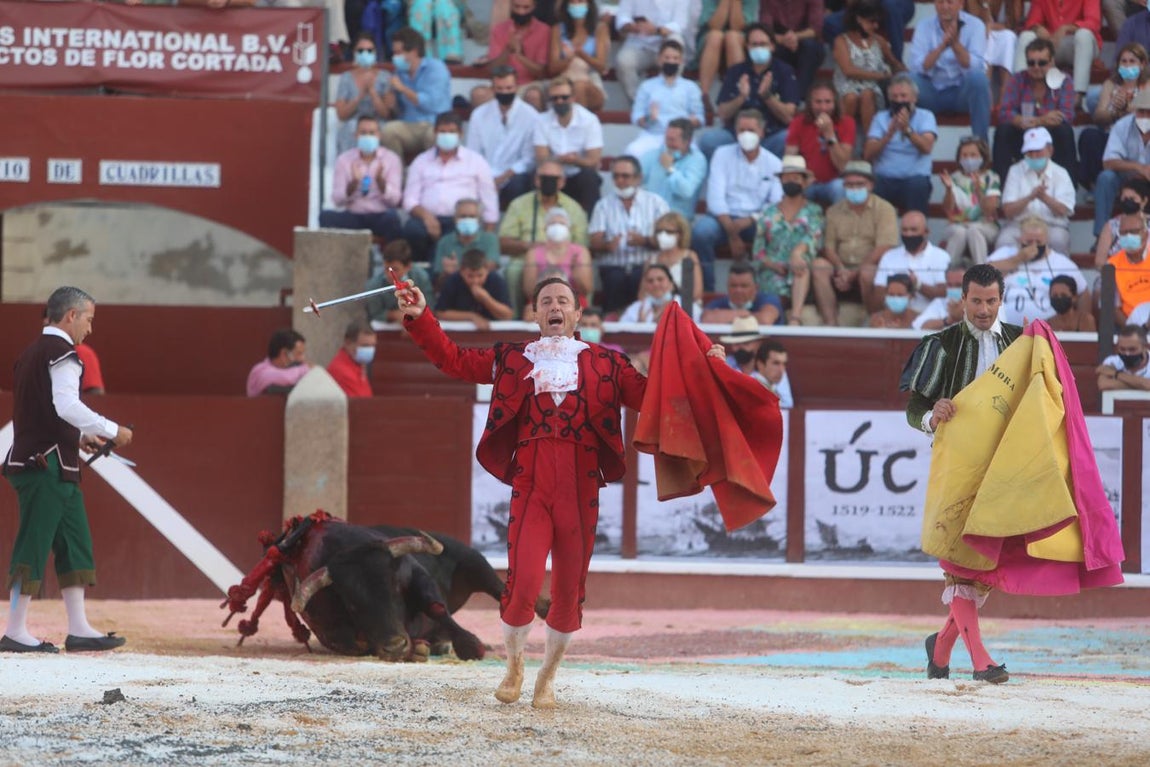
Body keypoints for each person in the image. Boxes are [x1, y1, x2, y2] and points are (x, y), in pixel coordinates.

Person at [394, 274, 729, 709]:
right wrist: (421, 317)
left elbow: (655, 397)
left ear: (577, 314)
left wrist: (705, 367)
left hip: (581, 485)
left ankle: (547, 678)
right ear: (534, 314)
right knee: (524, 582)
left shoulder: (608, 364)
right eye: (546, 301)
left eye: (563, 301)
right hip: (531, 484)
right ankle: (515, 667)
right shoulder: (513, 358)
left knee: (570, 589)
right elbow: (454, 359)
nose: (555, 306)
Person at [900, 264, 1023, 685]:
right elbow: (914, 407)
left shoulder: (1022, 343)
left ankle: (940, 647)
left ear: (1001, 299)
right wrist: (932, 416)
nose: (984, 309)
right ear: (963, 300)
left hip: (1004, 469)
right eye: (976, 301)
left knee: (983, 569)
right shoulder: (941, 344)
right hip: (956, 470)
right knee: (961, 565)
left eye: (991, 301)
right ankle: (981, 661)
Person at [2, 286, 133, 653]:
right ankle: (14, 629)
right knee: (35, 541)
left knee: (73, 541)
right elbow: (66, 406)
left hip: (52, 461)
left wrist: (77, 440)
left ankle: (78, 627)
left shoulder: (30, 354)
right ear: (71, 316)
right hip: (45, 465)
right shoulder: (63, 353)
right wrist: (109, 430)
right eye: (89, 318)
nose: (90, 328)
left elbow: (41, 411)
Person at [692, 110, 783, 294]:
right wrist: (733, 234)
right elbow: (715, 199)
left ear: (762, 133)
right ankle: (706, 291)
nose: (746, 135)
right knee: (701, 233)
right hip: (723, 218)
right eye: (741, 130)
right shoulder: (721, 154)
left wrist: (750, 220)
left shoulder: (773, 163)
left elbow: (775, 204)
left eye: (751, 130)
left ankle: (768, 291)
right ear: (735, 132)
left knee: (778, 232)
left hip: (755, 220)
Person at [501, 158, 591, 317]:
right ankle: (514, 315)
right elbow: (503, 241)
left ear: (562, 181)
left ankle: (586, 315)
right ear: (536, 179)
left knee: (583, 265)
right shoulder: (519, 204)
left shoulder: (573, 208)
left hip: (568, 256)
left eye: (554, 179)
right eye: (544, 178)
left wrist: (564, 253)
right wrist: (529, 247)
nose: (548, 182)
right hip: (527, 255)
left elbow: (581, 242)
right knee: (513, 270)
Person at [402, 112, 500, 258]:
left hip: (461, 220)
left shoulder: (476, 161)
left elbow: (489, 199)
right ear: (435, 133)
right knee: (412, 230)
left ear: (460, 134)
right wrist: (427, 217)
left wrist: (488, 236)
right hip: (427, 219)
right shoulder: (421, 161)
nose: (446, 135)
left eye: (452, 132)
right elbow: (410, 200)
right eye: (442, 131)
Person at [816, 160, 899, 326]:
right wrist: (841, 269)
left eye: (859, 184)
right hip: (840, 268)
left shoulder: (885, 209)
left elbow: (884, 247)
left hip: (869, 268)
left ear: (870, 185)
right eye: (849, 184)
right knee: (818, 265)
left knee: (868, 272)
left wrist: (854, 274)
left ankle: (874, 320)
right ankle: (830, 321)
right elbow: (829, 246)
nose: (854, 188)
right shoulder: (833, 211)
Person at [699, 23, 800, 160]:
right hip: (737, 136)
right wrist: (741, 98)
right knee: (708, 140)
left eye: (763, 44)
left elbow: (789, 116)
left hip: (770, 135)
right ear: (747, 47)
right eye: (754, 44)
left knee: (788, 139)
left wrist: (767, 97)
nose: (759, 48)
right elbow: (722, 114)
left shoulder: (784, 71)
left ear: (772, 46)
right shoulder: (736, 71)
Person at [590, 156, 671, 315]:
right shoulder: (603, 205)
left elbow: (668, 239)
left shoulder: (656, 203)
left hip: (645, 266)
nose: (620, 180)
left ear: (638, 178)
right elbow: (594, 241)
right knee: (615, 278)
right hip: (613, 267)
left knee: (642, 276)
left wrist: (644, 241)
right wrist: (607, 245)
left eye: (625, 176)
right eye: (616, 176)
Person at [992, 38, 1078, 187]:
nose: (1036, 67)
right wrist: (1041, 120)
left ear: (1052, 62)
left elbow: (1066, 115)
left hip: (1050, 138)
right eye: (1031, 63)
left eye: (1042, 63)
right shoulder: (1018, 79)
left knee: (1064, 131)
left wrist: (1030, 121)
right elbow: (1005, 112)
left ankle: (1068, 188)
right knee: (1003, 131)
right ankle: (1002, 187)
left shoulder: (1064, 80)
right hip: (1023, 136)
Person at [751, 156, 823, 325]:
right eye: (787, 178)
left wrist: (797, 254)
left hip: (800, 270)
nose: (791, 181)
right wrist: (774, 265)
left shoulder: (814, 211)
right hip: (773, 271)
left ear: (804, 182)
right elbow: (758, 252)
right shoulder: (768, 213)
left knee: (801, 267)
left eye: (796, 178)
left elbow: (813, 237)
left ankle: (795, 317)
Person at [906, 0, 991, 142]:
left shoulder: (975, 25)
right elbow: (918, 66)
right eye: (940, 2)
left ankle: (981, 145)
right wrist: (941, 47)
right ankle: (907, 142)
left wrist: (955, 44)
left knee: (979, 80)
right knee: (906, 81)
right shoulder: (923, 26)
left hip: (960, 93)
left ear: (961, 4)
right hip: (931, 91)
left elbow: (975, 66)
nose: (945, 7)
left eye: (950, 2)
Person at [987, 216, 1089, 325]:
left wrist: (1080, 323)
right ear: (1020, 239)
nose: (1034, 246)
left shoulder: (1061, 263)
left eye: (1038, 242)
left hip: (1047, 332)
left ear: (1046, 241)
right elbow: (982, 276)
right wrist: (1017, 259)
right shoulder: (1003, 254)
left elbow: (1083, 293)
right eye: (1029, 241)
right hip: (1003, 330)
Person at [1078, 43, 1150, 195]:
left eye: (1132, 61)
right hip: (1112, 137)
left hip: (1137, 139)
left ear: (1142, 64)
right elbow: (1098, 115)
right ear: (1118, 65)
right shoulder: (1111, 85)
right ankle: (1096, 186)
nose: (1128, 65)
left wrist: (1128, 107)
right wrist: (1116, 112)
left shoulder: (1147, 85)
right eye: (1124, 61)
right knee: (1089, 136)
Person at [465, 66, 539, 210]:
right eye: (500, 88)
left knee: (519, 182)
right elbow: (473, 153)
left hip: (513, 176)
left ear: (517, 87)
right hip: (484, 174)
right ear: (492, 89)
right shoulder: (479, 114)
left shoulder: (531, 116)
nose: (505, 92)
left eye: (509, 88)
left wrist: (501, 179)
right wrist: (487, 181)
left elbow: (528, 160)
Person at [864, 74, 938, 215]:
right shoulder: (880, 118)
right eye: (895, 97)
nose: (899, 100)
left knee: (918, 186)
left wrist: (907, 130)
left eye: (903, 96)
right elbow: (868, 153)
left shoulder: (926, 116)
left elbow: (927, 147)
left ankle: (916, 233)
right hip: (885, 179)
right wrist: (888, 135)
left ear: (914, 98)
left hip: (914, 178)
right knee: (874, 185)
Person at [320, 116, 403, 240]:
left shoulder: (391, 159)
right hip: (354, 215)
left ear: (379, 136)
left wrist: (381, 182)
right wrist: (353, 184)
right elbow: (337, 200)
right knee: (325, 217)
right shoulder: (344, 160)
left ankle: (389, 259)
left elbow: (395, 200)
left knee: (393, 219)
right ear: (356, 136)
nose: (368, 137)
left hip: (379, 215)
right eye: (363, 133)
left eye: (372, 133)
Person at [533, 77, 605, 216]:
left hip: (578, 173)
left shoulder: (589, 120)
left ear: (573, 98)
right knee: (536, 177)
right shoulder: (541, 121)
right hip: (553, 173)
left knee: (589, 177)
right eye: (555, 98)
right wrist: (564, 161)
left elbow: (593, 160)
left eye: (564, 97)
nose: (559, 101)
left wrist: (574, 161)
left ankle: (593, 225)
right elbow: (541, 159)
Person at [998, 127, 1076, 253]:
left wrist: (1044, 198)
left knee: (1059, 240)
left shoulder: (1061, 173)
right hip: (1019, 225)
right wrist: (1030, 197)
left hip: (1052, 226)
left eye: (1038, 151)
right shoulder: (1015, 171)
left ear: (1050, 150)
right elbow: (1008, 211)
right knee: (1004, 241)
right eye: (1029, 152)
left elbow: (1063, 210)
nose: (1034, 156)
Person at [833, 0, 903, 138]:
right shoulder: (841, 41)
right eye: (872, 21)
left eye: (877, 22)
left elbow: (894, 63)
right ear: (859, 19)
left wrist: (899, 70)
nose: (875, 26)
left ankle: (870, 143)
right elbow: (848, 71)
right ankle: (844, 141)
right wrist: (880, 75)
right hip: (846, 85)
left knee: (867, 94)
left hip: (871, 88)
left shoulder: (879, 41)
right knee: (851, 97)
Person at [379, 28, 452, 159]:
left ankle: (433, 177)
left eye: (398, 53)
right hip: (409, 125)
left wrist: (403, 89)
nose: (395, 57)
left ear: (414, 51)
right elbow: (399, 110)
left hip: (434, 123)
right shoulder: (399, 73)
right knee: (387, 131)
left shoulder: (436, 68)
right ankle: (398, 176)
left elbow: (432, 104)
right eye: (394, 53)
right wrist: (392, 104)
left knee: (434, 136)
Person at [625, 40, 705, 160]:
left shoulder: (691, 87)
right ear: (659, 60)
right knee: (632, 152)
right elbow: (636, 117)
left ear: (681, 61)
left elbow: (700, 118)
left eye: (675, 58)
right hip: (653, 135)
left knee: (696, 157)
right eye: (667, 57)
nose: (671, 61)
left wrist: (691, 122)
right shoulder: (646, 86)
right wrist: (649, 118)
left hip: (681, 137)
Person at [784, 80, 856, 206]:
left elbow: (843, 166)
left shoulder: (847, 122)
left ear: (835, 103)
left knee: (840, 188)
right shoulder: (798, 122)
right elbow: (789, 159)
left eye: (828, 102)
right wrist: (804, 177)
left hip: (834, 182)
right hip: (808, 182)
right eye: (818, 102)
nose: (823, 107)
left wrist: (830, 134)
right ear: (810, 103)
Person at [1014, 0, 1101, 104]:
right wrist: (1037, 29)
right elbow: (1032, 22)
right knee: (1026, 36)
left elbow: (1093, 22)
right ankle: (1019, 91)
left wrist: (1067, 28)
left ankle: (1078, 95)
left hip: (1079, 45)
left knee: (1083, 35)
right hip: (1052, 44)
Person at [873, 211, 951, 314]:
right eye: (905, 230)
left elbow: (944, 293)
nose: (909, 234)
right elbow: (879, 293)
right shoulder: (889, 257)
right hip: (896, 320)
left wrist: (917, 285)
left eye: (913, 230)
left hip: (930, 321)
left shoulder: (941, 257)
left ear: (926, 232)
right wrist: (897, 285)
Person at [939, 136, 1001, 266]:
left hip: (986, 225)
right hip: (958, 224)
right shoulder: (954, 178)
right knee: (960, 232)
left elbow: (989, 211)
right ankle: (946, 274)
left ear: (982, 157)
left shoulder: (991, 177)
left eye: (973, 155)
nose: (968, 159)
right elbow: (948, 210)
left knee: (974, 230)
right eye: (964, 155)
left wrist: (978, 190)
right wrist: (949, 189)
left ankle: (982, 274)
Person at [1097, 90, 1150, 239]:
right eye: (1141, 111)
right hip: (1126, 179)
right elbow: (1107, 162)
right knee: (1106, 178)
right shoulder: (1122, 126)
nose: (1145, 116)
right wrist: (1139, 167)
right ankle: (1101, 235)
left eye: (1149, 112)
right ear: (1134, 111)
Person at [521, 207, 594, 315]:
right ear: (545, 228)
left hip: (573, 301)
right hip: (542, 300)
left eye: (561, 223)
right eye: (553, 223)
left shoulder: (581, 252)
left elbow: (586, 290)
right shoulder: (533, 253)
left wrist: (576, 273)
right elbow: (529, 291)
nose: (557, 226)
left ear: (569, 229)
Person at [613, 0, 691, 102]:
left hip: (665, 43)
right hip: (639, 43)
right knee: (624, 61)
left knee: (677, 41)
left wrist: (657, 30)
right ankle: (638, 102)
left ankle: (670, 98)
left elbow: (680, 24)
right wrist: (631, 26)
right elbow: (622, 17)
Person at [333, 32, 394, 155]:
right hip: (354, 123)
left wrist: (372, 92)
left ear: (375, 53)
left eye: (369, 50)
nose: (365, 54)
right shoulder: (346, 77)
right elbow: (341, 114)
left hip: (378, 123)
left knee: (386, 130)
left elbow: (387, 113)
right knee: (351, 128)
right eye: (360, 51)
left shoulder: (385, 77)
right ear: (354, 53)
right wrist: (359, 96)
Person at [548, 0, 612, 111]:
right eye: (572, 2)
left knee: (579, 87)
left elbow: (601, 67)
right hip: (565, 77)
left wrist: (582, 55)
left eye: (580, 1)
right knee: (572, 89)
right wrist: (569, 59)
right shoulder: (557, 29)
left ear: (589, 4)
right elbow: (552, 68)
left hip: (591, 78)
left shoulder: (600, 28)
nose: (576, 5)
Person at [641, 119, 708, 220]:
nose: (668, 144)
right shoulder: (651, 155)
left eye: (672, 140)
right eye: (667, 139)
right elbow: (635, 181)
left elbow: (686, 191)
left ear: (687, 141)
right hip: (649, 216)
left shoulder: (697, 160)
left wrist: (670, 169)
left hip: (677, 220)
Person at [433, 198, 502, 294]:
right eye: (463, 216)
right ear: (455, 219)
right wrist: (446, 273)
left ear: (479, 219)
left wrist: (458, 269)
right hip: (455, 292)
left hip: (486, 290)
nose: (467, 220)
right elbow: (438, 283)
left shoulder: (490, 239)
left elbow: (491, 268)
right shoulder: (444, 242)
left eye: (472, 216)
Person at [760, 0, 826, 98]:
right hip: (779, 40)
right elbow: (765, 29)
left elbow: (816, 29)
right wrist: (783, 39)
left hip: (805, 39)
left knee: (810, 48)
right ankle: (775, 95)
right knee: (769, 48)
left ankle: (799, 98)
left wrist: (794, 37)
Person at [436, 248, 515, 328]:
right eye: (470, 276)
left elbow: (508, 315)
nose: (475, 281)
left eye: (480, 275)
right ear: (462, 272)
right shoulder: (453, 280)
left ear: (487, 270)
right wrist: (471, 316)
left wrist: (486, 299)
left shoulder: (496, 280)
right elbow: (440, 313)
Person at [694, 0, 756, 101]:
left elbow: (737, 26)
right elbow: (715, 25)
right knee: (716, 36)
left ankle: (738, 93)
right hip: (709, 37)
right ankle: (704, 96)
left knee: (732, 37)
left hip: (739, 38)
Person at [480, 0, 551, 83]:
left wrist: (519, 55)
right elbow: (492, 69)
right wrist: (508, 49)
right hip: (503, 84)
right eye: (517, 6)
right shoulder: (499, 29)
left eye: (526, 7)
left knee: (533, 95)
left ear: (534, 7)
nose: (521, 12)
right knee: (479, 93)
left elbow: (541, 72)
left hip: (531, 85)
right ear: (511, 5)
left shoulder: (544, 30)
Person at [365, 241, 434, 324]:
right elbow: (375, 314)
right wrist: (395, 315)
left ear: (408, 266)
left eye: (395, 269)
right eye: (387, 269)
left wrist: (413, 317)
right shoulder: (374, 285)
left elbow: (430, 307)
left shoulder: (421, 278)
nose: (390, 275)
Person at [700, 261, 782, 326]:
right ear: (727, 287)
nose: (738, 290)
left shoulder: (769, 299)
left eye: (744, 286)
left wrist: (725, 316)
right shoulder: (720, 302)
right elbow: (707, 319)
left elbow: (765, 320)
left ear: (756, 288)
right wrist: (744, 313)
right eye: (733, 286)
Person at [650, 211, 704, 307]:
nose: (663, 235)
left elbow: (697, 292)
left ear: (680, 234)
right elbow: (642, 295)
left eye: (669, 232)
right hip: (655, 307)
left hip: (686, 307)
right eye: (659, 231)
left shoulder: (690, 256)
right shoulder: (652, 259)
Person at [1093, 177, 1150, 267]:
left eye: (1132, 198)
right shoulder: (1111, 226)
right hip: (1118, 275)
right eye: (1125, 198)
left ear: (1144, 201)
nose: (1128, 202)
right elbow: (1099, 261)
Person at [618, 263, 699, 323]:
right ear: (645, 287)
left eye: (660, 279)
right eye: (650, 281)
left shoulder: (687, 306)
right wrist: (639, 325)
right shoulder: (635, 308)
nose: (655, 284)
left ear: (671, 284)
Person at [1107, 210, 1150, 322]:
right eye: (1124, 233)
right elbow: (1113, 308)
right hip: (1129, 325)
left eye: (1134, 231)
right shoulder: (1112, 265)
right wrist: (1133, 331)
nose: (1129, 236)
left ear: (1145, 234)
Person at [246, 329, 310, 397]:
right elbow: (284, 378)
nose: (303, 358)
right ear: (284, 354)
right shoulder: (259, 371)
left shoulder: (293, 369)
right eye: (299, 353)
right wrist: (306, 369)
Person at [327, 321, 377, 397]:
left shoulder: (358, 365)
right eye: (365, 345)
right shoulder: (342, 371)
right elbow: (361, 405)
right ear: (348, 343)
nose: (370, 350)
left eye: (373, 345)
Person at [1097, 324, 1150, 390]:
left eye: (1132, 349)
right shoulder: (1112, 361)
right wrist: (1141, 385)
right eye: (1122, 349)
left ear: (1145, 347)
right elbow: (1104, 385)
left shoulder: (1112, 370)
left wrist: (1115, 373)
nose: (1127, 353)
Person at [750, 339, 793, 407]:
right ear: (760, 365)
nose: (781, 370)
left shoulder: (773, 389)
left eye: (784, 364)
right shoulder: (750, 389)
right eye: (776, 363)